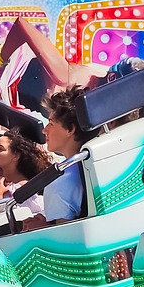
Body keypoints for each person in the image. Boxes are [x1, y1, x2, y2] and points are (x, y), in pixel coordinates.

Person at [24, 84, 97, 230]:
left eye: (51, 124)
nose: (44, 130)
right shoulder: (100, 162)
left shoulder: (60, 181)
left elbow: (63, 237)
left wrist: (41, 227)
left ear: (70, 129)